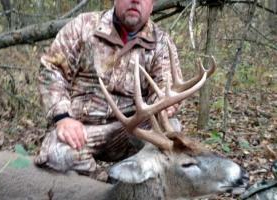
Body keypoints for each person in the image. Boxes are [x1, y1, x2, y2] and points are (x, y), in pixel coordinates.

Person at [35, 0, 183, 174]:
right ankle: (97, 184)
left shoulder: (161, 43)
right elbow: (51, 69)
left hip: (131, 130)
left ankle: (128, 181)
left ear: (151, 5)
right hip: (81, 129)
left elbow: (165, 86)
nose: (135, 0)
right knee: (58, 155)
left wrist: (165, 103)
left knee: (170, 132)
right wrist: (63, 117)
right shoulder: (84, 26)